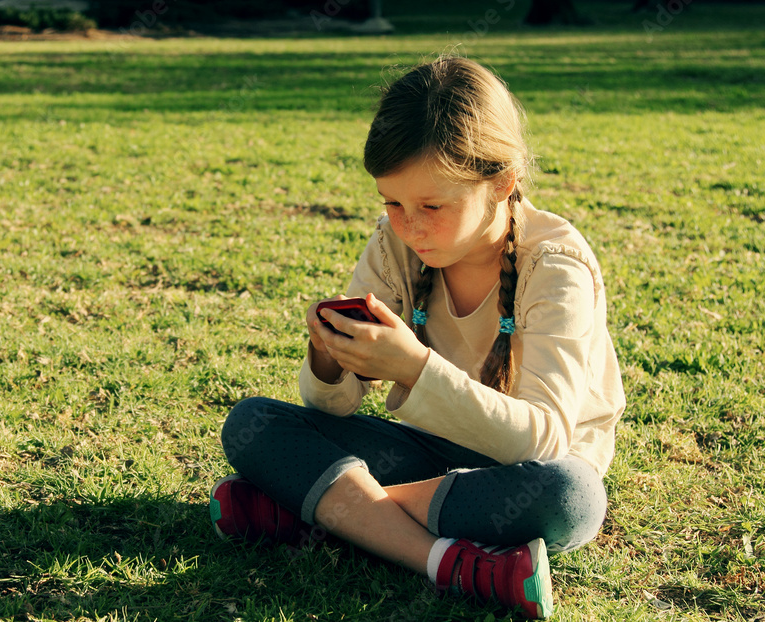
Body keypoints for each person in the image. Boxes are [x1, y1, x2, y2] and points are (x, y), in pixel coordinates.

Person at [209, 55, 626, 620]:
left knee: (572, 500)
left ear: (501, 182)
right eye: (392, 203)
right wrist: (331, 358)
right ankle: (446, 558)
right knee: (253, 422)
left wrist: (413, 368)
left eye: (432, 205)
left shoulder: (555, 266)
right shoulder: (395, 246)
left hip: (521, 478)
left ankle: (326, 511)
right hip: (427, 465)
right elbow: (329, 406)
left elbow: (544, 442)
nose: (409, 225)